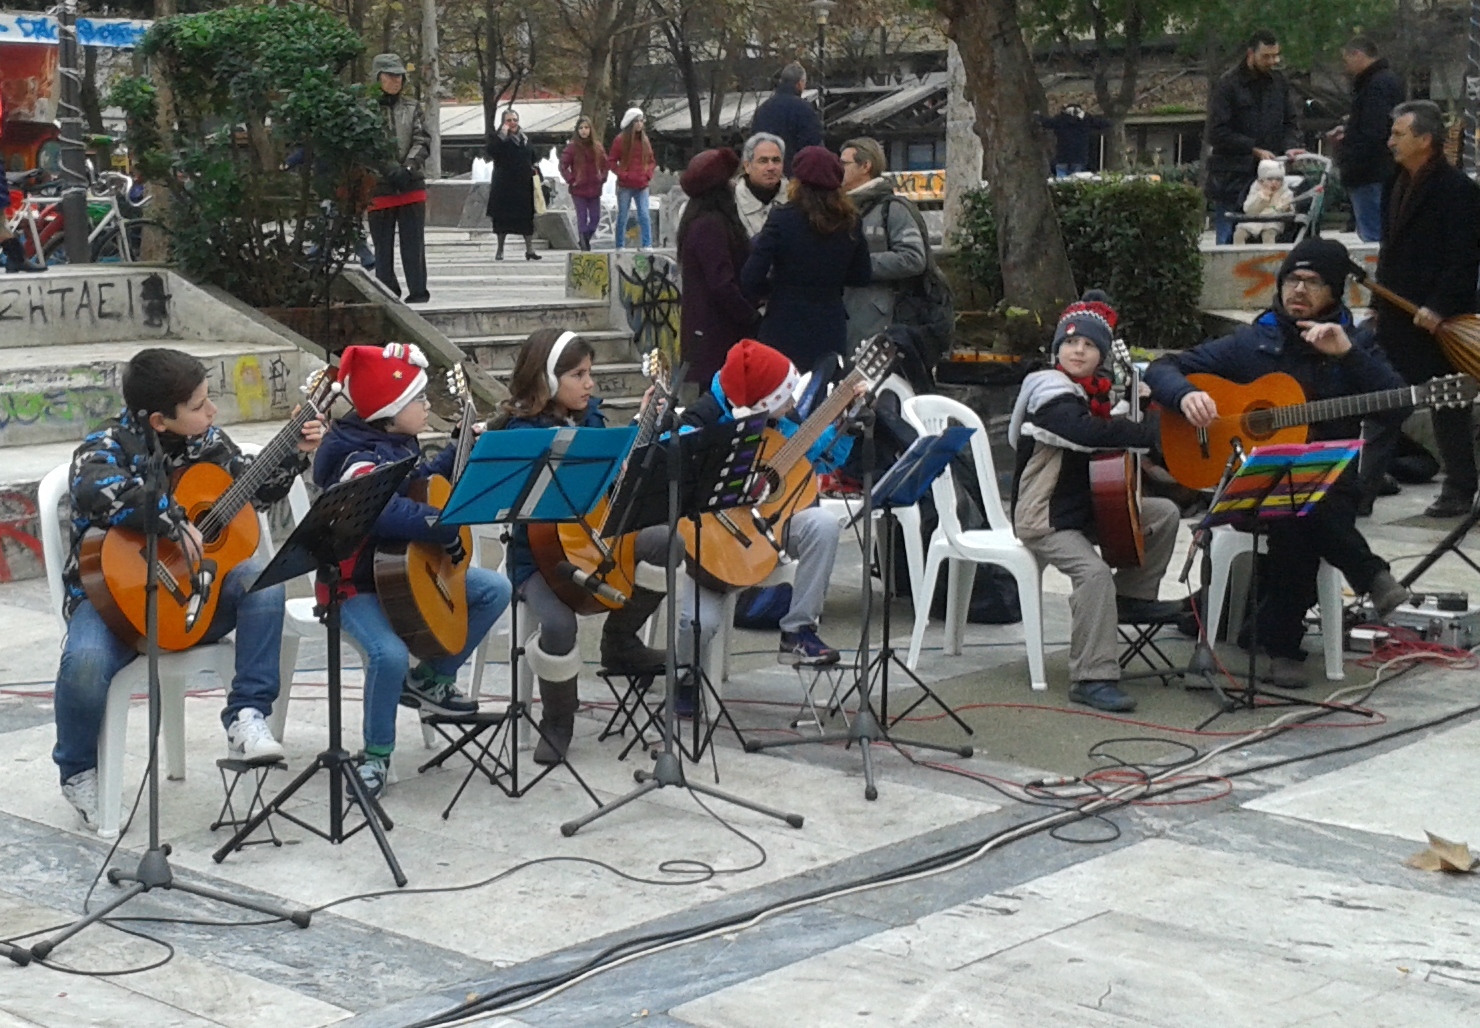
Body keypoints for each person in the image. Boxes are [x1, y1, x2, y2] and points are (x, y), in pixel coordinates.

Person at [54, 348, 323, 830]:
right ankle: (78, 771)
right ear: (159, 420)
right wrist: (171, 520)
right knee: (85, 664)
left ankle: (245, 715)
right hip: (115, 602)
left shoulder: (208, 443)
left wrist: (295, 454)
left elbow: (253, 490)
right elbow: (96, 489)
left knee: (263, 581)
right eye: (199, 406)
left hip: (197, 597)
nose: (211, 412)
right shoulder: (105, 446)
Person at [1144, 239, 1412, 688]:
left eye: (1313, 282)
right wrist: (1185, 393)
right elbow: (1164, 367)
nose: (1299, 290)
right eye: (1292, 279)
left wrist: (1347, 354)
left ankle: (1277, 638)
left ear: (1335, 291)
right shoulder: (1255, 343)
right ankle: (1364, 580)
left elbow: (1398, 407)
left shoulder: (1356, 343)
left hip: (1331, 484)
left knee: (1301, 508)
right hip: (1255, 483)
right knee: (1293, 504)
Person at [312, 344, 512, 798]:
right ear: (389, 411)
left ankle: (431, 681)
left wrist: (462, 446)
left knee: (493, 590)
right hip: (352, 585)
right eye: (419, 401)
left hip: (403, 574)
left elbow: (421, 481)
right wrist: (440, 528)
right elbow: (383, 508)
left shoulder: (395, 441)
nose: (426, 408)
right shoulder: (356, 456)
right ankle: (376, 756)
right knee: (389, 655)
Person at [494, 329, 672, 763]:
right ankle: (558, 721)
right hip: (536, 557)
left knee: (670, 542)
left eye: (590, 373)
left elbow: (611, 478)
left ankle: (621, 637)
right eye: (579, 374)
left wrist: (642, 425)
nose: (590, 383)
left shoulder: (592, 420)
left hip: (597, 539)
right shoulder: (521, 432)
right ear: (548, 379)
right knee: (558, 625)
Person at [1008, 297, 1184, 714]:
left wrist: (1141, 404)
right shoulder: (1047, 389)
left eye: (1089, 345)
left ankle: (1132, 597)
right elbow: (1083, 433)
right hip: (1045, 515)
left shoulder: (1097, 395)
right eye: (1069, 344)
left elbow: (1109, 427)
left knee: (1163, 515)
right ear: (1056, 352)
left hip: (1084, 508)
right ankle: (1092, 675)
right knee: (1094, 574)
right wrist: (1142, 431)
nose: (1078, 350)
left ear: (1102, 356)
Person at [674, 340, 853, 704]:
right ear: (761, 404)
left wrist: (845, 424)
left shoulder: (782, 424)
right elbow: (665, 453)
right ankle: (686, 678)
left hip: (769, 528)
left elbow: (824, 457)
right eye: (785, 398)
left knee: (822, 524)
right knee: (700, 623)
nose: (792, 405)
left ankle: (798, 630)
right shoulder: (703, 417)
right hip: (713, 545)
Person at [1366, 100, 1480, 518]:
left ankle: (1459, 487)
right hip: (1398, 313)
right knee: (1382, 397)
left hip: (1439, 320)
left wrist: (1439, 307)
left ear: (1425, 140)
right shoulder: (1394, 181)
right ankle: (1363, 486)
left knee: (1449, 403)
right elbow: (1388, 250)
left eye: (1399, 134)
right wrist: (1379, 303)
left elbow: (1464, 258)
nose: (1390, 141)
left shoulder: (1458, 191)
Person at [740, 146, 872, 370]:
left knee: (781, 393)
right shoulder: (850, 221)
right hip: (830, 323)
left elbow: (750, 278)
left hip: (784, 323)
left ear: (797, 181)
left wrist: (773, 289)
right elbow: (862, 275)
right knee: (825, 392)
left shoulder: (782, 219)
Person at [1205, 30, 1302, 246]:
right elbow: (1217, 131)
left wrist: (1290, 147)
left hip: (1271, 177)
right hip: (1233, 175)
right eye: (1266, 56)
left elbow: (1291, 121)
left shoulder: (1279, 83)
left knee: (1273, 232)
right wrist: (1253, 149)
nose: (1272, 61)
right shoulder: (1228, 84)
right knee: (1228, 236)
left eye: (1276, 56)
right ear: (1251, 54)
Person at [677, 148, 760, 391]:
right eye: (729, 181)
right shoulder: (710, 226)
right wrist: (751, 317)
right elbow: (722, 283)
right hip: (717, 337)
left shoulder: (699, 221)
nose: (734, 185)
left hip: (710, 336)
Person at [840, 136, 927, 344]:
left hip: (879, 319)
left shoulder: (892, 208)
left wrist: (860, 265)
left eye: (844, 163)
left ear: (865, 166)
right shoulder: (838, 208)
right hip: (843, 317)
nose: (838, 169)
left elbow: (913, 258)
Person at [367, 53, 432, 303]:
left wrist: (407, 168)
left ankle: (418, 290)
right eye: (390, 75)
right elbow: (370, 146)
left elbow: (422, 139)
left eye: (399, 76)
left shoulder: (413, 107)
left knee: (413, 243)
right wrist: (388, 168)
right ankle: (387, 289)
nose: (396, 80)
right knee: (382, 246)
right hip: (380, 187)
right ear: (377, 77)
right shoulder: (366, 110)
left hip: (411, 184)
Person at [1331, 37, 1402, 243]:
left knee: (1373, 236)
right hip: (1380, 169)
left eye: (1347, 60)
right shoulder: (1386, 81)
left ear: (1358, 55)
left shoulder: (1375, 85)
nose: (1346, 66)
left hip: (1369, 173)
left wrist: (1350, 157)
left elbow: (1373, 130)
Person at [485, 108, 542, 261]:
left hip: (523, 185)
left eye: (515, 120)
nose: (513, 123)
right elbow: (491, 151)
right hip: (504, 185)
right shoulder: (498, 138)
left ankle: (530, 250)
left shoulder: (524, 138)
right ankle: (500, 249)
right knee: (502, 219)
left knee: (526, 219)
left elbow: (533, 156)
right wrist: (502, 134)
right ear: (504, 122)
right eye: (509, 120)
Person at [750, 63, 824, 178]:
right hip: (794, 176)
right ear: (799, 84)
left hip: (766, 174)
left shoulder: (763, 109)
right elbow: (813, 145)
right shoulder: (804, 109)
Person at [608, 108, 656, 251]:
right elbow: (611, 161)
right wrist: (623, 174)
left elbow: (652, 161)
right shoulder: (620, 140)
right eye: (637, 121)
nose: (640, 124)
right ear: (630, 123)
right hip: (625, 185)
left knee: (644, 214)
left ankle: (647, 244)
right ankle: (620, 245)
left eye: (642, 121)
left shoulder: (645, 140)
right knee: (623, 215)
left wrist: (648, 175)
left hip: (642, 185)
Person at [560, 115, 608, 252]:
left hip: (594, 189)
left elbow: (606, 164)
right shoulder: (572, 147)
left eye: (586, 128)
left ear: (591, 130)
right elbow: (563, 165)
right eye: (581, 128)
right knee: (582, 218)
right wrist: (571, 180)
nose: (584, 131)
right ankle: (584, 246)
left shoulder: (597, 147)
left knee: (595, 218)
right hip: (579, 190)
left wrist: (602, 178)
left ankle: (584, 239)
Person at [735, 132, 787, 237]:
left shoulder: (796, 199)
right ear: (747, 166)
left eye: (776, 161)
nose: (771, 167)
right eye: (763, 161)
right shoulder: (731, 202)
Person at [1233, 159, 1294, 244]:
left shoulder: (1285, 192)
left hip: (1273, 221)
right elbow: (1247, 208)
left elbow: (1288, 210)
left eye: (1278, 179)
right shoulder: (1255, 189)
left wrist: (1287, 208)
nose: (1274, 182)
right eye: (1270, 179)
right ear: (1261, 181)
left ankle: (1269, 255)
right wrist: (1261, 197)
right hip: (1253, 220)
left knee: (1268, 234)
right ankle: (1239, 255)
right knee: (1239, 234)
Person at [1038, 105, 1110, 177]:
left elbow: (1046, 122)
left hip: (1062, 157)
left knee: (1061, 181)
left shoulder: (1060, 120)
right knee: (1076, 181)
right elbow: (1103, 124)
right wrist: (1087, 116)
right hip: (1079, 157)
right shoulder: (1086, 121)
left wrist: (1037, 116)